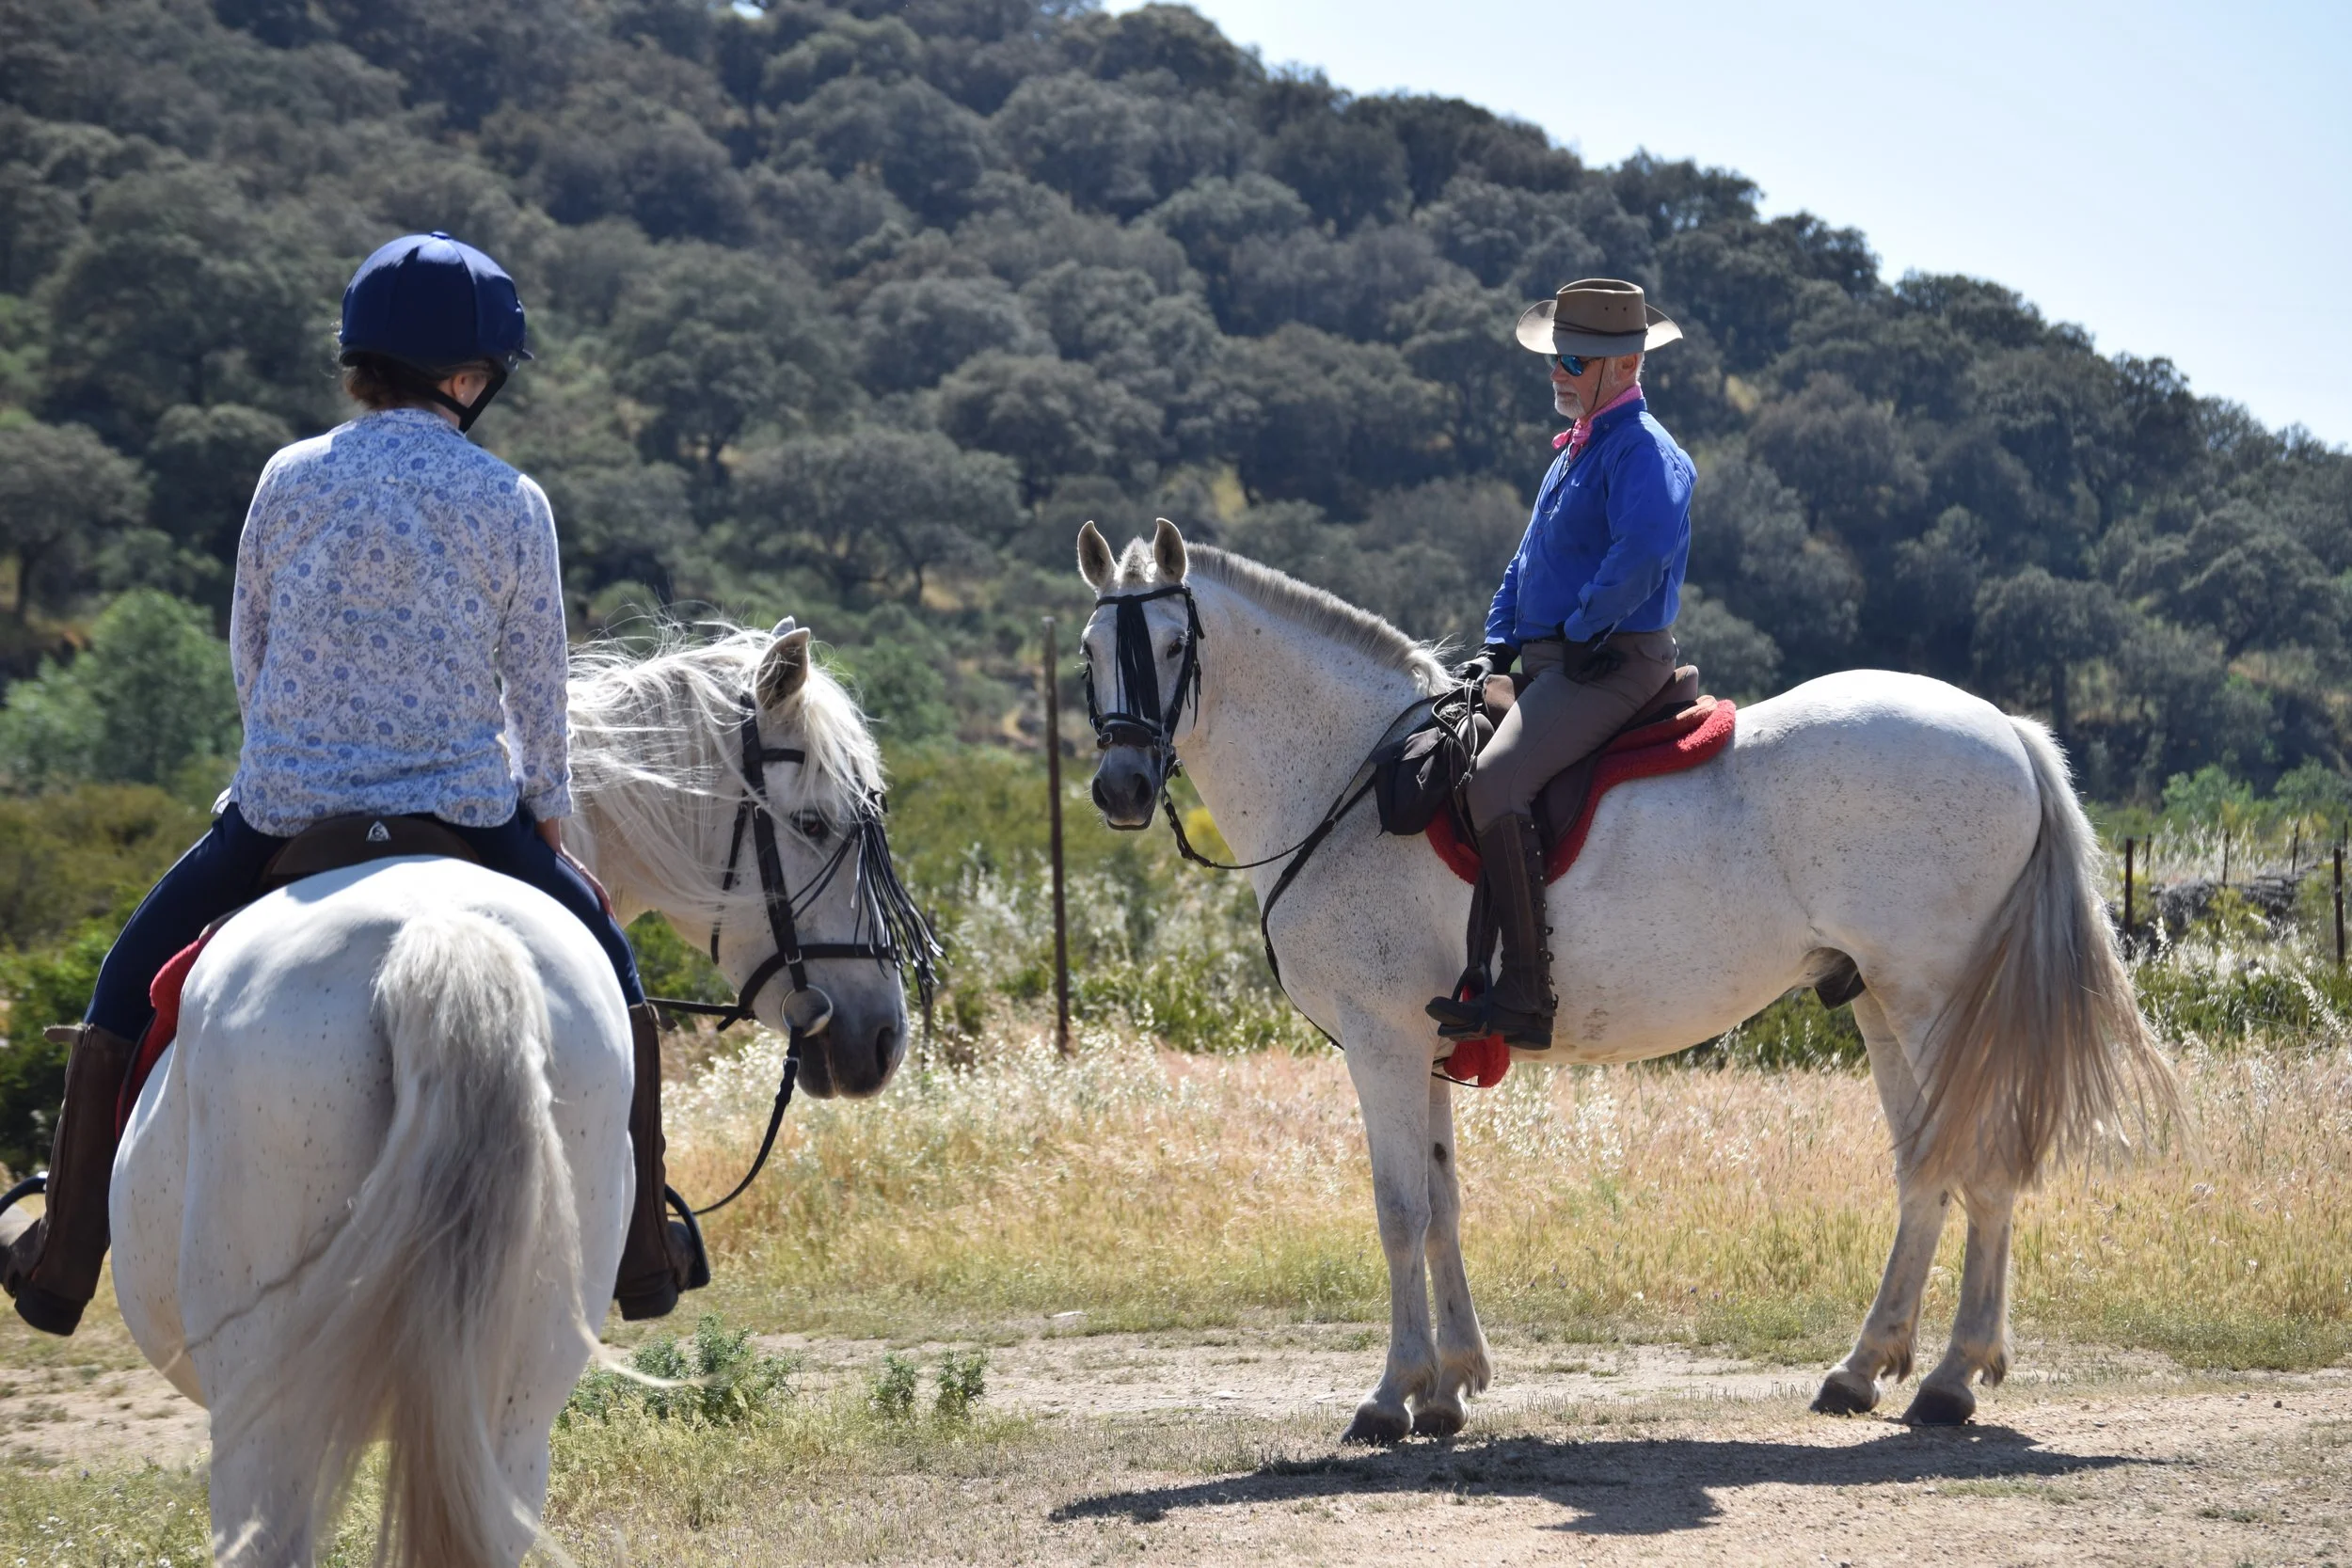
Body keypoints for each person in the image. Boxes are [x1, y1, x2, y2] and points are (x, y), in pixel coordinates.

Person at [1, 232, 702, 1336]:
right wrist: (552, 824)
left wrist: (292, 752)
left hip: (287, 812)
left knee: (123, 980)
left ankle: (61, 1257)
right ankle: (642, 1247)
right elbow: (538, 692)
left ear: (364, 360)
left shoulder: (291, 475)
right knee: (613, 978)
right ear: (468, 378)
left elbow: (251, 646)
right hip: (467, 813)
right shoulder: (513, 499)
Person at [1424, 278, 1695, 1051]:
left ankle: (1527, 993)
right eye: (1557, 358)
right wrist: (1495, 642)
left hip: (1610, 661)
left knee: (1495, 781)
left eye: (1571, 360)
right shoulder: (1576, 450)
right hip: (1555, 657)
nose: (1556, 373)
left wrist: (1580, 630)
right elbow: (1526, 560)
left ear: (1624, 365)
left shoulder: (1645, 452)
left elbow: (1639, 554)